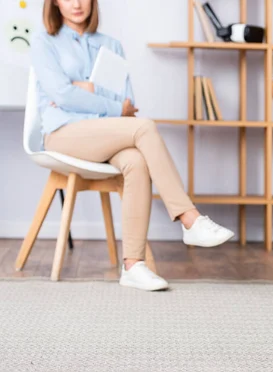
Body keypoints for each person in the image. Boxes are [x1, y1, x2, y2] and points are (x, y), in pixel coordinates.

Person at [31, 0, 235, 292]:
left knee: (136, 161)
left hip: (104, 134)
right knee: (145, 127)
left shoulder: (111, 45)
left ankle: (133, 266)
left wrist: (83, 89)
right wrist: (100, 99)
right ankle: (190, 219)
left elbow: (126, 102)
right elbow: (63, 96)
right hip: (63, 133)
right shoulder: (44, 42)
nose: (76, 4)